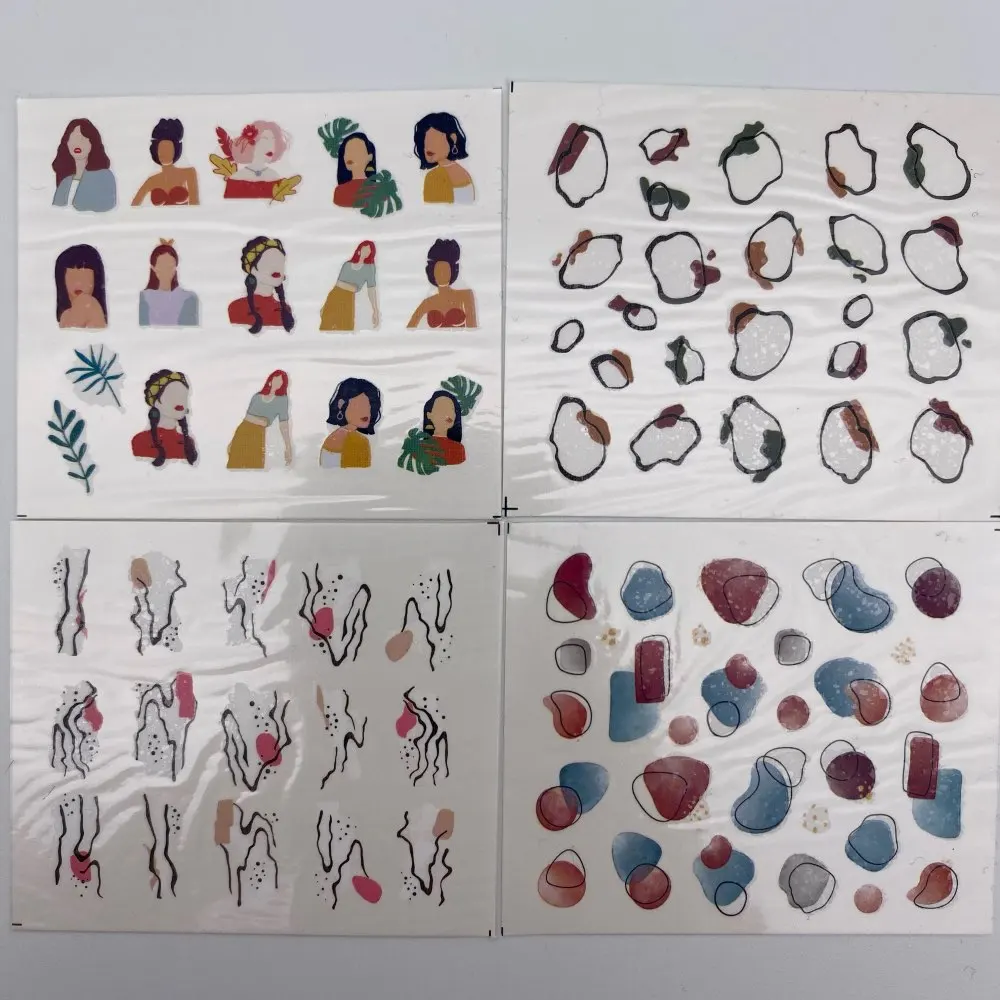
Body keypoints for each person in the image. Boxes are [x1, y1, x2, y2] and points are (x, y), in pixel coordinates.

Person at [213, 121, 298, 200]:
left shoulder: (275, 177)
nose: (271, 145)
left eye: (273, 140)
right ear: (251, 144)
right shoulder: (236, 178)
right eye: (265, 139)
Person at [227, 370, 292, 469]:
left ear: (283, 384)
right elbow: (246, 418)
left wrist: (288, 447)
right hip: (242, 432)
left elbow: (284, 424)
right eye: (275, 379)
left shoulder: (282, 400)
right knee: (235, 464)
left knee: (254, 465)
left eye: (280, 380)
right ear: (270, 380)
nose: (277, 382)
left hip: (257, 435)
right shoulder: (257, 396)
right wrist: (262, 421)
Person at [228, 236, 294, 333]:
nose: (276, 268)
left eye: (280, 262)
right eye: (269, 262)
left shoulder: (285, 310)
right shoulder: (236, 308)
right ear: (252, 269)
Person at [131, 370, 198, 467]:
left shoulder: (188, 444)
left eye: (183, 396)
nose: (179, 401)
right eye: (172, 395)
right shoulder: (141, 441)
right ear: (155, 401)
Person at [407, 239, 477, 328]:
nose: (442, 274)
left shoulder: (466, 296)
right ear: (432, 273)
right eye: (438, 270)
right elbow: (410, 328)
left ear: (452, 271)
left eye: (445, 270)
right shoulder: (428, 303)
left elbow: (472, 328)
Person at [51, 119, 117, 212]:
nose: (77, 143)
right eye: (73, 138)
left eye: (83, 139)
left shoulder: (104, 176)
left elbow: (107, 207)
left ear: (92, 142)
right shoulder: (65, 181)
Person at [131, 118, 199, 206]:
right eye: (161, 149)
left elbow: (195, 204)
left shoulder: (189, 173)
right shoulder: (152, 180)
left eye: (168, 149)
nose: (164, 153)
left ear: (176, 150)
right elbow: (134, 205)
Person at [319, 378, 382, 469]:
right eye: (360, 405)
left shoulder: (334, 436)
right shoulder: (359, 441)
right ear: (341, 404)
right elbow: (360, 473)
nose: (366, 412)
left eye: (369, 407)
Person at [413, 112, 474, 204]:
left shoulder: (434, 177)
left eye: (433, 139)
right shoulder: (462, 172)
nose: (428, 146)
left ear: (453, 139)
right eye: (425, 140)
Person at [319, 241, 379, 331]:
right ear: (359, 250)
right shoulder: (347, 265)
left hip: (348, 300)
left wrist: (375, 310)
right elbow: (338, 284)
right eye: (364, 249)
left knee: (345, 327)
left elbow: (371, 289)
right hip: (334, 296)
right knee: (327, 325)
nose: (366, 252)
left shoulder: (369, 268)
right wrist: (353, 287)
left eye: (368, 250)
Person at [138, 240, 199, 326]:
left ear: (175, 268)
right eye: (162, 265)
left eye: (170, 266)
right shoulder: (143, 297)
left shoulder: (188, 298)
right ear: (153, 268)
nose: (166, 270)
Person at [55, 244, 107, 328]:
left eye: (84, 278)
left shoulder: (86, 303)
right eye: (73, 277)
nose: (78, 284)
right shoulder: (66, 314)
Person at [333, 132, 378, 208]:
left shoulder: (378, 191)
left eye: (357, 151)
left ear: (369, 157)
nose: (350, 156)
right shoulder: (340, 192)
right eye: (348, 151)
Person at [422, 390, 466, 465]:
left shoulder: (458, 450)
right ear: (429, 415)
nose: (447, 415)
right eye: (441, 409)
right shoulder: (421, 448)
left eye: (451, 410)